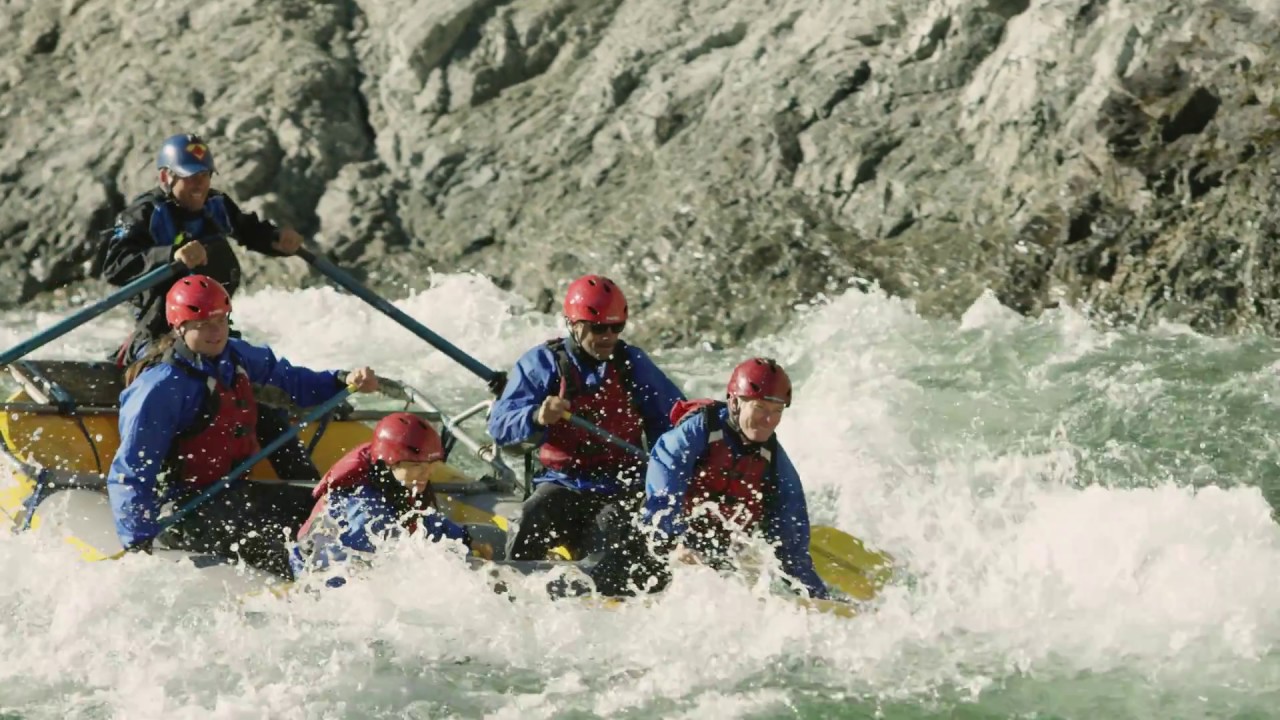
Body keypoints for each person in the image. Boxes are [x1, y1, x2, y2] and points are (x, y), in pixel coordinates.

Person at [106, 275, 379, 578]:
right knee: (289, 550)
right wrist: (137, 542)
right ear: (179, 326)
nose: (216, 331)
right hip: (182, 510)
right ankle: (315, 584)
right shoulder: (159, 388)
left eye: (222, 320)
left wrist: (340, 380)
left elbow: (291, 379)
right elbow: (130, 472)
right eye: (203, 324)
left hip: (231, 492)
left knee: (330, 509)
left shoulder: (233, 355)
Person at [96, 132, 316, 480]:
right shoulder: (143, 214)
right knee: (193, 399)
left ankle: (306, 490)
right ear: (166, 177)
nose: (199, 185)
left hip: (212, 327)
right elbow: (113, 266)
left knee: (265, 406)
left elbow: (248, 229)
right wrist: (170, 256)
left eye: (204, 175)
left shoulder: (217, 205)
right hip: (159, 332)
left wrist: (277, 240)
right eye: (189, 177)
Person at [560, 358, 829, 600]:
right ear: (735, 402)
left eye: (777, 410)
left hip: (714, 550)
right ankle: (584, 587)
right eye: (760, 408)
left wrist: (815, 597)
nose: (769, 419)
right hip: (660, 535)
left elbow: (791, 545)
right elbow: (663, 490)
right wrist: (672, 542)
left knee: (724, 585)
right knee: (617, 529)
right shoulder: (698, 432)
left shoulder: (775, 464)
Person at [487, 274, 685, 561]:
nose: (608, 337)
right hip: (563, 482)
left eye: (616, 327)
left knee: (607, 546)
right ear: (573, 325)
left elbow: (673, 422)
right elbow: (499, 425)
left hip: (622, 487)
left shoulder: (633, 365)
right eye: (598, 328)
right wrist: (536, 416)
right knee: (525, 522)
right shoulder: (543, 364)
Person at [291, 412, 494, 582]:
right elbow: (338, 575)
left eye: (430, 467)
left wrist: (464, 539)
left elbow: (418, 518)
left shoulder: (391, 482)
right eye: (416, 466)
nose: (426, 474)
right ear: (389, 463)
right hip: (324, 576)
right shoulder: (364, 512)